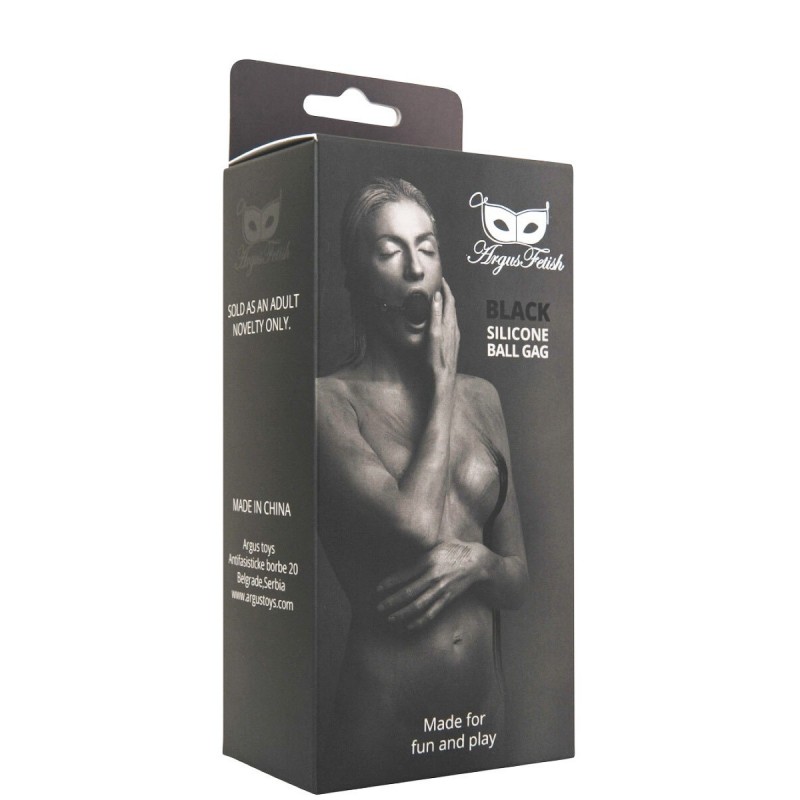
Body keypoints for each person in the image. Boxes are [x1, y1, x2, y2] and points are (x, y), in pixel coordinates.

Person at [317, 177, 529, 787]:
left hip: (481, 724)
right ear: (357, 279)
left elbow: (517, 578)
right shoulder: (328, 402)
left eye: (427, 248)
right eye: (390, 252)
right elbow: (414, 526)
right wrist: (442, 383)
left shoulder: (484, 399)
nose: (414, 268)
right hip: (381, 729)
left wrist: (477, 562)